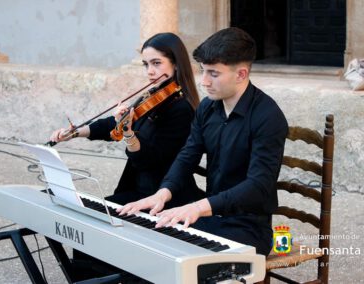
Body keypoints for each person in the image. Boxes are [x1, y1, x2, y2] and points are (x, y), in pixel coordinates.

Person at [118, 27, 289, 256]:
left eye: (213, 74)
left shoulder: (268, 117)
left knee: (164, 245)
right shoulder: (208, 108)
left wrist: (197, 208)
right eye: (202, 71)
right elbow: (188, 155)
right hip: (213, 213)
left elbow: (258, 186)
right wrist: (163, 193)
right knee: (140, 232)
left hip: (248, 227)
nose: (204, 82)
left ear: (241, 74)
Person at [50, 32, 202, 207]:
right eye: (146, 64)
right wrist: (75, 132)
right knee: (63, 206)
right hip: (137, 188)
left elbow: (151, 159)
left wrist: (128, 134)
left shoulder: (181, 108)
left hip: (162, 198)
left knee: (79, 213)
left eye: (157, 63)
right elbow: (112, 124)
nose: (150, 71)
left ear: (176, 64)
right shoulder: (154, 96)